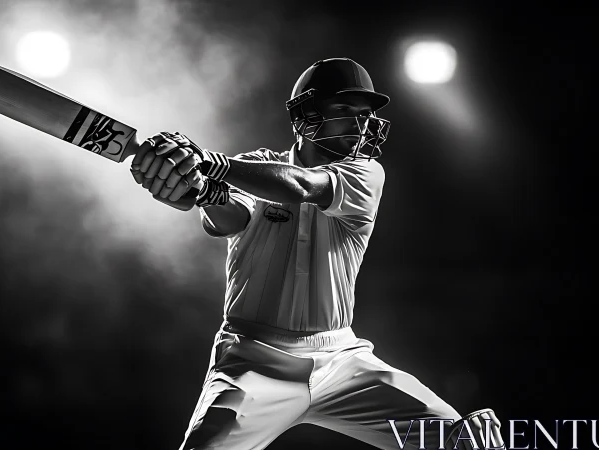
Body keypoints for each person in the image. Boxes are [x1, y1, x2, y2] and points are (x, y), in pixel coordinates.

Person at [129, 58, 504, 450]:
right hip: (252, 361)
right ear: (307, 115)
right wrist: (199, 191)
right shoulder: (257, 166)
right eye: (344, 112)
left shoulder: (366, 173)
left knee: (466, 441)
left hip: (341, 358)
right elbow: (231, 217)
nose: (360, 127)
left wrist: (210, 163)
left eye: (365, 115)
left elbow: (303, 186)